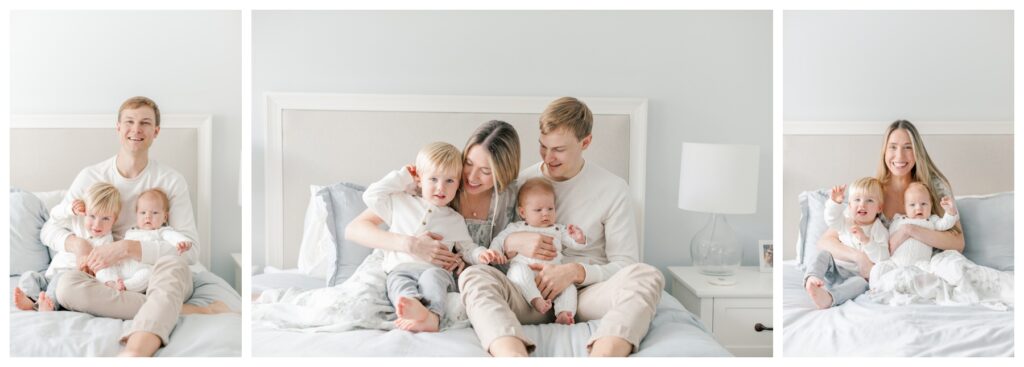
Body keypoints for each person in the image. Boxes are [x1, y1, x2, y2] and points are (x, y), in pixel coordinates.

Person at [460, 97, 664, 357]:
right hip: (528, 292)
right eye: (543, 146)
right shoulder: (522, 182)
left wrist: (575, 272)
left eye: (558, 149)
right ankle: (512, 357)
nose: (548, 157)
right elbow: (497, 249)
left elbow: (625, 263)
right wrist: (513, 243)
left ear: (585, 142)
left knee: (648, 276)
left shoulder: (613, 189)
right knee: (473, 276)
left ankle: (605, 356)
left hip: (587, 295)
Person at [38, 96, 204, 357]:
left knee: (174, 266)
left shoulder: (171, 181)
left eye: (145, 123)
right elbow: (49, 229)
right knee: (66, 287)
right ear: (118, 127)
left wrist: (128, 248)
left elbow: (191, 251)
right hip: (105, 279)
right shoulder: (91, 176)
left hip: (154, 276)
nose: (136, 130)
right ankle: (174, 308)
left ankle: (135, 351)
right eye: (129, 122)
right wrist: (78, 245)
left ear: (156, 132)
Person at [345, 119, 522, 279]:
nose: (472, 177)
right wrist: (411, 244)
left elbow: (470, 249)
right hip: (394, 265)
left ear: (503, 173)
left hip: (442, 276)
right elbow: (353, 229)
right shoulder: (431, 185)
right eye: (468, 163)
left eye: (485, 171)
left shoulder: (511, 198)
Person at [363, 142, 506, 332]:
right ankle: (413, 306)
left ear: (458, 184)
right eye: (433, 179)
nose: (441, 188)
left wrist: (481, 255)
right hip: (401, 268)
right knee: (398, 284)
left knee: (433, 279)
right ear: (419, 180)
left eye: (449, 181)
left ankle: (432, 316)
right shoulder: (400, 202)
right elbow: (371, 196)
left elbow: (467, 247)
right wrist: (403, 175)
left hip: (436, 270)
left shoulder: (454, 219)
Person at [816, 120, 964, 282]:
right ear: (884, 151)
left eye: (908, 147)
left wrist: (910, 230)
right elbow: (825, 241)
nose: (900, 156)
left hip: (925, 269)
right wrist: (859, 258)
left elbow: (958, 242)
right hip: (885, 272)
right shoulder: (872, 193)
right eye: (893, 147)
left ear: (917, 152)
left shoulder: (934, 187)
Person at [490, 177, 587, 325]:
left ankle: (564, 313)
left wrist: (578, 238)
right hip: (526, 275)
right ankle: (536, 300)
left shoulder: (558, 229)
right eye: (538, 210)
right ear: (522, 212)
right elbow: (500, 241)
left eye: (550, 209)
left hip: (552, 278)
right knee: (517, 272)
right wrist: (495, 251)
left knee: (569, 288)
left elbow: (574, 244)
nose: (545, 214)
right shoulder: (516, 228)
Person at [15, 182, 121, 312]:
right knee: (29, 276)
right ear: (85, 212)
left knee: (59, 281)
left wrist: (112, 283)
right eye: (92, 216)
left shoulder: (106, 243)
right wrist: (69, 209)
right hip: (50, 276)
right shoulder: (77, 222)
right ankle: (31, 299)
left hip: (69, 281)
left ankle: (49, 305)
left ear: (114, 220)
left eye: (105, 219)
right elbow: (54, 218)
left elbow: (107, 269)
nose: (97, 224)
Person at [804, 178, 888, 309]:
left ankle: (829, 298)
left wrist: (866, 240)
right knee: (823, 255)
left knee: (861, 284)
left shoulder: (879, 230)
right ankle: (812, 278)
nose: (862, 205)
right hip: (834, 270)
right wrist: (835, 203)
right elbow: (831, 219)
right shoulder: (845, 222)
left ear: (879, 208)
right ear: (849, 205)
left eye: (869, 200)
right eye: (857, 200)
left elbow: (883, 256)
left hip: (855, 276)